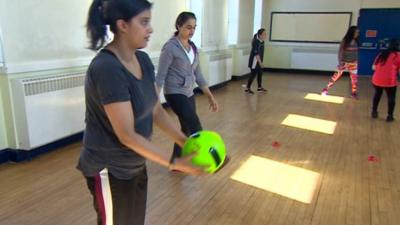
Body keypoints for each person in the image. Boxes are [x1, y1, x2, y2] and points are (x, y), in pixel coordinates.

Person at [77, 1, 205, 225]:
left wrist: (185, 141)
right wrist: (175, 162)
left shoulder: (143, 60)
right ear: (123, 25)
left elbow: (154, 109)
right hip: (109, 168)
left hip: (135, 164)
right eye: (144, 22)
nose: (151, 29)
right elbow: (126, 134)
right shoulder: (107, 68)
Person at [155, 12, 219, 160]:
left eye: (194, 28)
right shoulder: (170, 47)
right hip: (174, 92)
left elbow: (199, 75)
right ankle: (211, 156)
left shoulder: (193, 48)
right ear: (179, 26)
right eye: (188, 27)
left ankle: (175, 161)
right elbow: (160, 76)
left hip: (189, 92)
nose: (192, 31)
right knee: (194, 123)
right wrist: (154, 101)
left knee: (187, 128)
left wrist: (210, 96)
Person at [321, 25, 359, 98]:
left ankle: (354, 93)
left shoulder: (356, 41)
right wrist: (340, 62)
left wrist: (356, 61)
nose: (357, 34)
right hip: (344, 62)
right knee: (335, 77)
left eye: (358, 32)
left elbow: (355, 52)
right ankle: (325, 89)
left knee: (354, 79)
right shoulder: (345, 40)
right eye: (356, 32)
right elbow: (340, 52)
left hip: (353, 63)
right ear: (352, 32)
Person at [371, 39, 400, 122]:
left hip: (376, 79)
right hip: (389, 81)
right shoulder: (398, 55)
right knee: (391, 97)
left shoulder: (382, 54)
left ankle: (374, 112)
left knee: (377, 94)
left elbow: (373, 67)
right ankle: (389, 116)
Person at [245, 28, 267, 94]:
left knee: (260, 73)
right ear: (260, 35)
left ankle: (259, 88)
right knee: (253, 74)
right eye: (264, 34)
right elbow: (256, 54)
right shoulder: (256, 42)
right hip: (254, 62)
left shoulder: (262, 41)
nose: (266, 35)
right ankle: (247, 88)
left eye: (266, 34)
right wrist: (260, 63)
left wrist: (261, 62)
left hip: (259, 61)